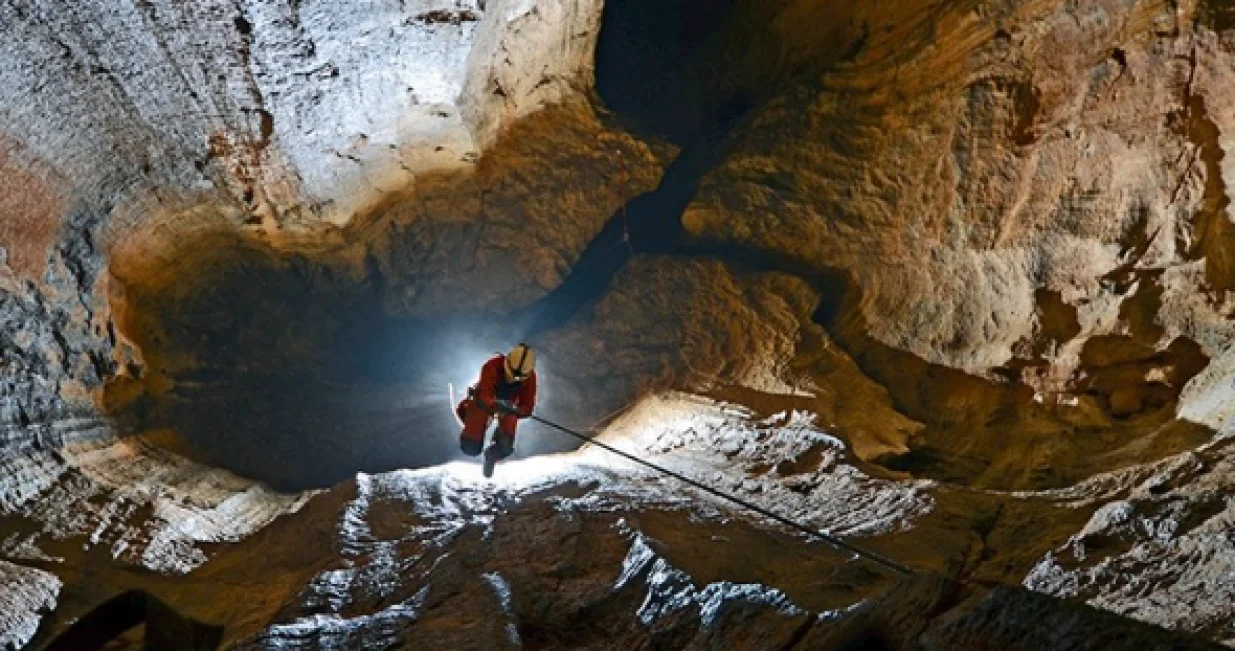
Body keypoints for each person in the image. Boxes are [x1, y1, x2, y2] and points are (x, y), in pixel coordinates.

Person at [457, 343, 538, 477]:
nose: (512, 379)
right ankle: (472, 436)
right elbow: (484, 393)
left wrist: (515, 410)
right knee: (470, 446)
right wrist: (495, 404)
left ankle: (491, 456)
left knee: (506, 446)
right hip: (483, 405)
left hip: (509, 408)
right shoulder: (492, 366)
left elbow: (527, 406)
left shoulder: (531, 378)